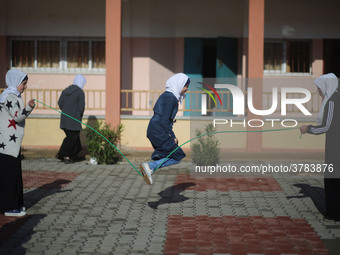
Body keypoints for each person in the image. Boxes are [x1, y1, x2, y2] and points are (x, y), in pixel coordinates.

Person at [300, 73, 340, 221]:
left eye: (319, 88)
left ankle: (334, 213)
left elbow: (326, 127)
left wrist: (308, 129)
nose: (318, 91)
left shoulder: (332, 102)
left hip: (335, 148)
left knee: (333, 180)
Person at [140, 73, 190, 185]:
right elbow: (164, 120)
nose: (187, 89)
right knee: (178, 156)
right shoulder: (171, 98)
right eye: (186, 86)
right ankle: (150, 166)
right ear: (179, 84)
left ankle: (150, 166)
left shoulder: (167, 95)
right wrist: (172, 136)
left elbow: (164, 117)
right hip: (158, 130)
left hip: (154, 129)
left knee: (164, 154)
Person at [0, 69, 35, 217]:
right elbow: (17, 117)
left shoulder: (12, 96)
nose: (25, 87)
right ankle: (9, 207)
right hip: (7, 145)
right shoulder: (9, 97)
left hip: (10, 144)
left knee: (14, 174)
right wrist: (29, 107)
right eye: (24, 83)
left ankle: (16, 204)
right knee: (9, 176)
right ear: (15, 82)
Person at [55, 74, 86, 164]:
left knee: (72, 138)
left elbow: (60, 103)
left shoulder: (65, 91)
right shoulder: (80, 92)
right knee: (72, 139)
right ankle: (65, 155)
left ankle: (64, 154)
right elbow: (81, 108)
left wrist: (66, 111)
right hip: (74, 120)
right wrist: (78, 115)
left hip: (64, 119)